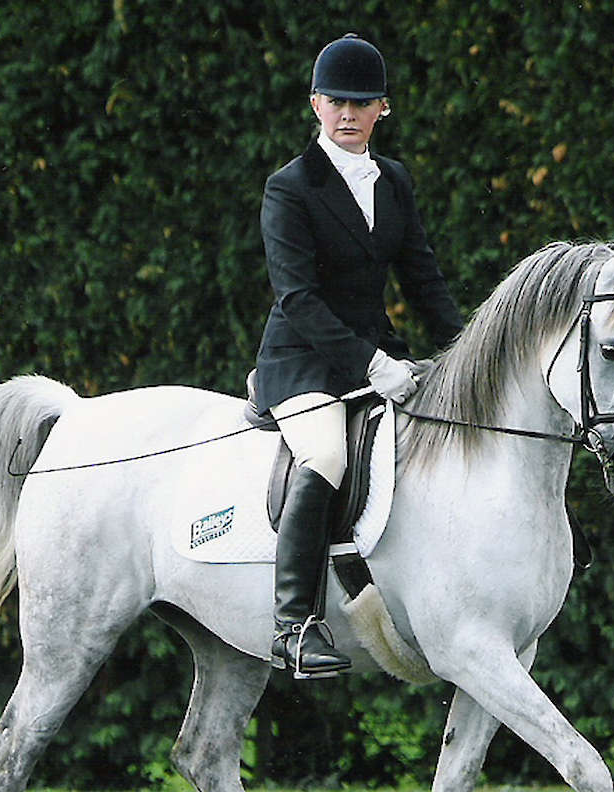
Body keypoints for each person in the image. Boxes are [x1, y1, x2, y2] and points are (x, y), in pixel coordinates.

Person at [255, 34, 464, 677]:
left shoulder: (394, 181)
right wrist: (371, 366)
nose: (348, 114)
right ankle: (295, 622)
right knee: (326, 453)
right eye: (336, 101)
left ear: (382, 110)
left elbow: (422, 280)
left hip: (380, 351)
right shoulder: (289, 188)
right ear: (315, 104)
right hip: (302, 358)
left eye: (362, 103)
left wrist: (466, 354)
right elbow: (298, 298)